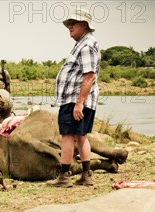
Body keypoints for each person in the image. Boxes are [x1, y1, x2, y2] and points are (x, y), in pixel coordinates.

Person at [47, 9, 101, 188]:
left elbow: (89, 76)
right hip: (77, 99)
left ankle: (64, 176)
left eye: (73, 23)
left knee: (68, 136)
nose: (69, 27)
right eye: (68, 24)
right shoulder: (83, 44)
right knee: (80, 135)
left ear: (84, 25)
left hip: (75, 100)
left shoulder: (86, 45)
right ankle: (86, 175)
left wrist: (79, 103)